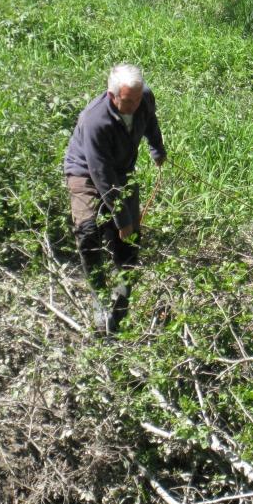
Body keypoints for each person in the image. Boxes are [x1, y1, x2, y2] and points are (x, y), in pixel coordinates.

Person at [63, 63, 166, 335]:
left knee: (130, 238)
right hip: (86, 171)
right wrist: (121, 218)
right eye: (128, 101)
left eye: (138, 97)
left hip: (122, 169)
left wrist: (156, 148)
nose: (135, 104)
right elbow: (101, 173)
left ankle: (122, 301)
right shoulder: (94, 120)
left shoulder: (143, 97)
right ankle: (98, 297)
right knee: (88, 232)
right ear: (112, 96)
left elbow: (150, 120)